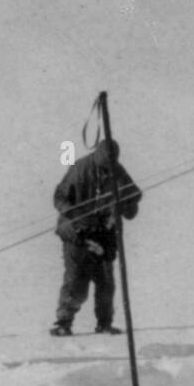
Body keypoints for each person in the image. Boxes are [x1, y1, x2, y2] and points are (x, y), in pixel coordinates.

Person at [51, 138, 141, 335]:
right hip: (76, 232)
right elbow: (59, 196)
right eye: (105, 164)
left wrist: (125, 206)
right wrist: (75, 216)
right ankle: (63, 323)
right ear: (99, 156)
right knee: (76, 280)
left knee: (106, 280)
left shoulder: (117, 171)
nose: (108, 168)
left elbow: (133, 195)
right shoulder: (81, 169)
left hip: (103, 232)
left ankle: (105, 323)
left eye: (112, 163)